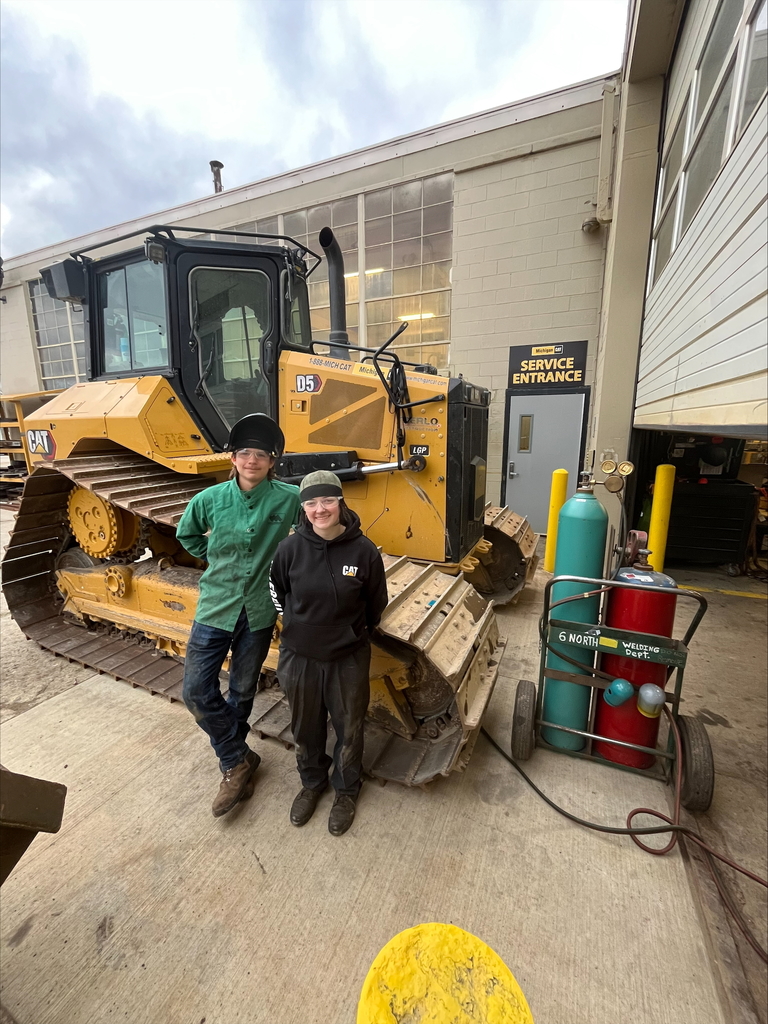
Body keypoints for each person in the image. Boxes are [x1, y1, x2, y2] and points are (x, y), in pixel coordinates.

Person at [177, 414, 300, 817]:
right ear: (232, 458)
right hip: (216, 605)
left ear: (271, 461)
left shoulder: (288, 498)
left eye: (260, 454)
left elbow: (316, 529)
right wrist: (215, 557)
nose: (252, 460)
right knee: (196, 690)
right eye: (244, 452)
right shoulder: (208, 501)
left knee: (243, 691)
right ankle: (237, 758)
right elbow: (188, 536)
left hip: (261, 610)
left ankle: (234, 764)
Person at [270, 471, 388, 836]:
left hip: (347, 657)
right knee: (305, 728)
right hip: (299, 657)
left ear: (340, 502)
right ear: (303, 508)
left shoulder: (363, 551)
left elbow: (376, 603)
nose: (319, 510)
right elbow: (277, 590)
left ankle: (347, 790)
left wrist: (353, 634)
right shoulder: (289, 549)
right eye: (311, 503)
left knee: (350, 730)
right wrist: (293, 627)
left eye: (327, 501)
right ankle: (312, 783)